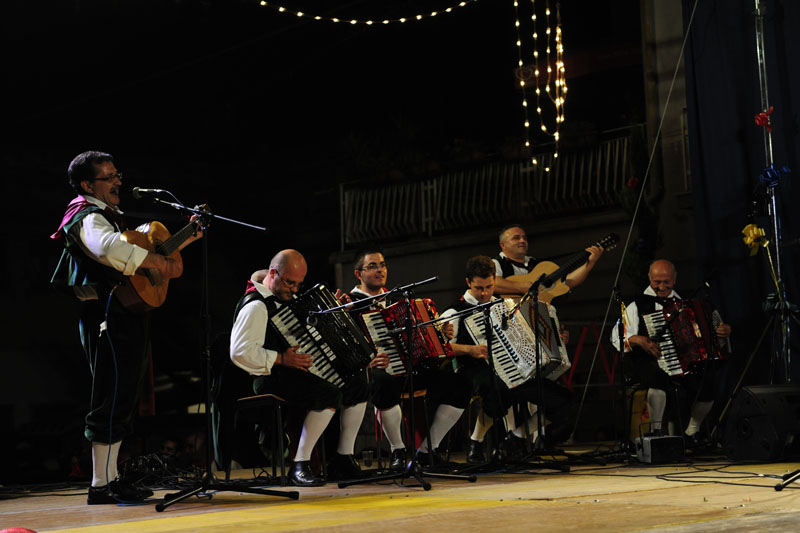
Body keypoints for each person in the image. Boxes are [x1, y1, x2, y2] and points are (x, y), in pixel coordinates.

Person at [50, 151, 202, 505]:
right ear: (88, 185)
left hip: (123, 313)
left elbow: (131, 257)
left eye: (118, 174)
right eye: (109, 177)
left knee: (123, 396)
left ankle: (112, 478)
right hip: (104, 315)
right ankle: (100, 485)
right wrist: (157, 261)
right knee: (110, 394)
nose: (118, 181)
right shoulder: (86, 215)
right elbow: (106, 249)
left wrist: (185, 239)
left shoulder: (107, 214)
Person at [229, 249, 376, 485]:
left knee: (358, 383)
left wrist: (335, 310)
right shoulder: (256, 305)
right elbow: (240, 352)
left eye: (299, 284)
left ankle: (343, 458)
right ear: (274, 273)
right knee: (328, 394)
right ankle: (300, 464)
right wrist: (280, 359)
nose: (295, 290)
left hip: (296, 369)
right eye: (290, 282)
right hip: (267, 376)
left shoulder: (287, 298)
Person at [440, 256, 575, 463]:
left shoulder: (507, 305)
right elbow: (441, 347)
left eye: (489, 286)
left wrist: (555, 338)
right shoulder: (455, 310)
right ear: (468, 283)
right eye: (479, 288)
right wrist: (470, 349)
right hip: (475, 368)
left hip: (517, 368)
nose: (485, 293)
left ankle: (515, 437)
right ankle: (476, 441)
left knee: (562, 400)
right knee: (500, 389)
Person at [347, 249, 472, 468]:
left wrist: (441, 332)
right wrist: (369, 359)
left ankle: (427, 450)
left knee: (460, 383)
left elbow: (421, 333)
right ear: (358, 274)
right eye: (373, 266)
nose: (380, 270)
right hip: (377, 371)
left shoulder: (396, 298)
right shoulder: (350, 304)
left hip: (410, 367)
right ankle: (398, 450)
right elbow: (347, 345)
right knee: (382, 382)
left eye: (383, 265)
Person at [611, 259, 732, 443]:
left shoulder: (687, 303)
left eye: (666, 282)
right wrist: (638, 339)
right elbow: (616, 336)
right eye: (656, 282)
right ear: (650, 279)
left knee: (708, 383)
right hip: (647, 360)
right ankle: (657, 431)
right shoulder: (637, 304)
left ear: (674, 280)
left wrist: (722, 332)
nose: (661, 286)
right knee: (657, 379)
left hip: (684, 361)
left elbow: (713, 333)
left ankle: (692, 431)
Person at [492, 224, 604, 297]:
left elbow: (567, 283)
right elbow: (492, 283)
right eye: (516, 238)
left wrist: (590, 263)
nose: (522, 241)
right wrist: (523, 287)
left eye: (525, 238)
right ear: (503, 245)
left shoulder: (537, 265)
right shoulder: (496, 263)